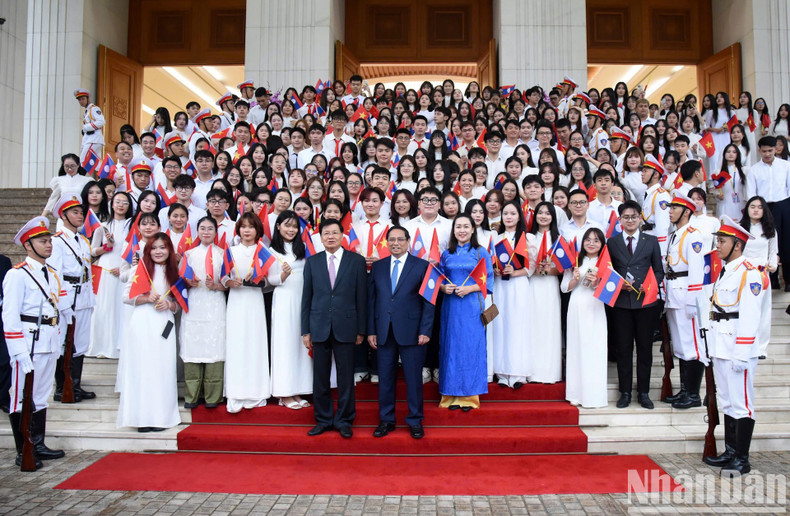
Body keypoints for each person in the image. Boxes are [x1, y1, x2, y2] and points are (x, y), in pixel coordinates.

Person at [3, 217, 67, 468]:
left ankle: (37, 444)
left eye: (50, 240)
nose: (49, 245)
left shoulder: (50, 273)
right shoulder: (17, 275)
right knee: (21, 396)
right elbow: (9, 317)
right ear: (28, 245)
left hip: (48, 340)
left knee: (40, 396)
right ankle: (23, 450)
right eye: (43, 241)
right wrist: (18, 351)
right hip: (28, 344)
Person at [702, 216, 764, 475]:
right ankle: (730, 451)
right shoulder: (727, 270)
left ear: (737, 245)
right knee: (726, 401)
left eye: (722, 241)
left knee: (742, 403)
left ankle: (742, 458)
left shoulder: (750, 273)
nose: (717, 245)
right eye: (718, 239)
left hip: (738, 348)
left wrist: (742, 353)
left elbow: (750, 316)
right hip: (721, 345)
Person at [301, 219, 368, 438]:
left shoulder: (356, 261)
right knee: (320, 377)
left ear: (342, 236)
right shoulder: (312, 262)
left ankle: (345, 420)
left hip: (347, 326)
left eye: (334, 233)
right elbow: (307, 298)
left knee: (346, 376)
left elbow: (361, 297)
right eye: (326, 233)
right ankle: (323, 419)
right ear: (320, 237)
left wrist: (361, 329)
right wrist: (305, 330)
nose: (330, 236)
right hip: (319, 326)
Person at [367, 226, 433, 439]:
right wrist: (371, 330)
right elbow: (372, 301)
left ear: (408, 241)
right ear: (387, 243)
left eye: (400, 239)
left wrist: (425, 330)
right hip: (384, 331)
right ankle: (386, 420)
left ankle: (415, 420)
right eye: (392, 240)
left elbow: (428, 302)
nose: (396, 243)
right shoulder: (378, 267)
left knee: (414, 379)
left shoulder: (422, 266)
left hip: (413, 332)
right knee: (385, 378)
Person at [116, 232, 181, 432]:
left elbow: (179, 303)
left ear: (169, 250)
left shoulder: (175, 272)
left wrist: (170, 305)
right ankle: (141, 418)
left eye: (162, 247)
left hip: (164, 323)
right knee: (142, 368)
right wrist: (146, 298)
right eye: (154, 248)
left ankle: (161, 417)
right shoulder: (139, 270)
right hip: (143, 321)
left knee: (163, 368)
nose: (158, 251)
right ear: (147, 250)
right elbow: (126, 297)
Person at [607, 201, 665, 409]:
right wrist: (619, 285)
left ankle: (644, 392)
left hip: (646, 303)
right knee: (623, 349)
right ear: (620, 220)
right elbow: (607, 271)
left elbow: (659, 271)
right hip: (621, 304)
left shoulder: (650, 241)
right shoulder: (612, 242)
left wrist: (644, 285)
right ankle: (625, 392)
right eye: (626, 217)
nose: (630, 220)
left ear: (640, 218)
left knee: (644, 349)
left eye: (634, 217)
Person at [438, 214, 493, 410]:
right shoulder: (446, 254)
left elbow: (489, 281)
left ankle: (470, 396)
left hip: (471, 305)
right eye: (458, 226)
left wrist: (470, 288)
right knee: (451, 348)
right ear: (453, 230)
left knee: (471, 348)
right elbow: (440, 278)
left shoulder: (480, 252)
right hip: (451, 307)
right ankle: (450, 395)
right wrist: (444, 288)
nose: (462, 230)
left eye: (466, 226)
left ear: (472, 229)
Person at [48, 195, 96, 402]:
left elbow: (87, 271)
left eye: (81, 213)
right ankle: (62, 387)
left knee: (80, 343)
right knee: (65, 343)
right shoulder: (56, 242)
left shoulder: (83, 241)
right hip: (67, 297)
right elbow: (54, 275)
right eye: (75, 212)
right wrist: (63, 303)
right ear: (64, 215)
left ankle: (75, 384)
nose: (80, 216)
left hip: (84, 295)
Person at [222, 213, 271, 413]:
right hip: (236, 300)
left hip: (255, 301)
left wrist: (261, 280)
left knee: (255, 343)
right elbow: (223, 276)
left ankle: (256, 391)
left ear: (258, 230)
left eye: (251, 227)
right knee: (236, 344)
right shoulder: (230, 251)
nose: (247, 230)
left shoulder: (264, 252)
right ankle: (235, 391)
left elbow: (269, 282)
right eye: (243, 227)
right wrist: (228, 282)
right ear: (238, 230)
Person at [663, 192, 707, 409]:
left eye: (674, 208)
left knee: (692, 345)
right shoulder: (675, 234)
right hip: (674, 291)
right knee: (680, 345)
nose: (670, 211)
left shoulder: (693, 234)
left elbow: (697, 270)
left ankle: (693, 394)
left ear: (687, 211)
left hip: (686, 293)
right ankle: (684, 390)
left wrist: (693, 300)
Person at [179, 217, 227, 409]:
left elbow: (229, 283)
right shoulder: (188, 255)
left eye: (210, 229)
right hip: (194, 304)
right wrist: (186, 282)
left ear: (216, 232)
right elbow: (177, 281)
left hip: (215, 304)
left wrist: (216, 285)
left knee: (215, 346)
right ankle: (192, 396)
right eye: (202, 228)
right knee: (192, 346)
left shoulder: (223, 254)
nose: (206, 232)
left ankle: (212, 397)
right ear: (197, 231)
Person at [269, 211, 313, 409]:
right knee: (285, 345)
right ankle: (284, 392)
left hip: (302, 300)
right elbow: (268, 280)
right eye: (287, 225)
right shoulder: (270, 251)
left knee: (300, 345)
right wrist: (283, 276)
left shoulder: (303, 248)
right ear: (278, 226)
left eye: (294, 226)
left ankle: (298, 390)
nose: (291, 229)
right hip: (284, 299)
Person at [561, 227, 608, 408]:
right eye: (588, 240)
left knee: (594, 349)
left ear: (602, 244)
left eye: (596, 240)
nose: (591, 243)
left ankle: (594, 395)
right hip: (576, 306)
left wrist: (598, 283)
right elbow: (564, 287)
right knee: (576, 348)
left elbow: (610, 291)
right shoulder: (575, 261)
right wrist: (574, 279)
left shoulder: (606, 263)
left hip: (596, 307)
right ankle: (575, 393)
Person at [491, 201, 536, 388]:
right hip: (500, 285)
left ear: (520, 216)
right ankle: (502, 372)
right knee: (501, 325)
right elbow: (490, 261)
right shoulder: (495, 237)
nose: (508, 217)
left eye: (513, 213)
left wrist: (514, 272)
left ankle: (518, 373)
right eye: (505, 213)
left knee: (518, 326)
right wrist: (495, 270)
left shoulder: (528, 238)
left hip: (518, 285)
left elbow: (531, 267)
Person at [87, 192, 134, 358]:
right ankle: (101, 346)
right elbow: (92, 250)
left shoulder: (133, 225)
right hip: (106, 268)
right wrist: (105, 247)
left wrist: (124, 268)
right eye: (117, 202)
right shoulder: (103, 225)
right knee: (105, 306)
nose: (121, 205)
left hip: (125, 268)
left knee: (121, 307)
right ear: (111, 204)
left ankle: (119, 346)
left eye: (125, 202)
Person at [529, 201, 563, 383]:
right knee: (533, 325)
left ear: (553, 217)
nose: (543, 216)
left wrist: (548, 270)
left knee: (549, 326)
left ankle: (550, 372)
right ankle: (532, 371)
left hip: (550, 285)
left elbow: (564, 268)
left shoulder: (559, 238)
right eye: (540, 212)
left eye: (547, 213)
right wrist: (534, 269)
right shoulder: (528, 237)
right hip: (533, 285)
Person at [741, 196, 778, 358]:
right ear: (747, 208)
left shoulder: (770, 230)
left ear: (764, 210)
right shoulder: (741, 228)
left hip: (762, 274)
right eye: (752, 206)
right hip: (744, 274)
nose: (755, 210)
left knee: (763, 311)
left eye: (759, 207)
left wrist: (773, 265)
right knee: (745, 310)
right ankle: (745, 344)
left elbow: (772, 253)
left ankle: (761, 348)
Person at [74, 88, 105, 162]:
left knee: (83, 161)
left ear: (88, 98)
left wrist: (86, 127)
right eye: (79, 100)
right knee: (95, 164)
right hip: (90, 139)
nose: (81, 101)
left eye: (83, 99)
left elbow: (101, 122)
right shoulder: (87, 111)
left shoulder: (94, 109)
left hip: (93, 139)